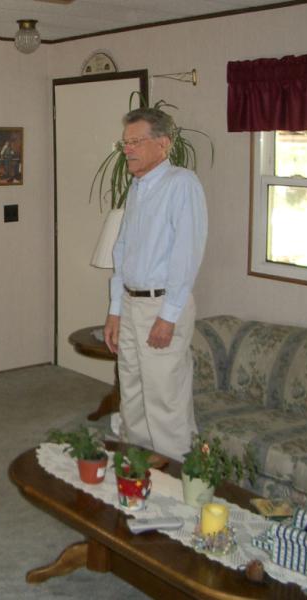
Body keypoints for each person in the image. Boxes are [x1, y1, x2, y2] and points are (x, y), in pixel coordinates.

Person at [103, 107, 207, 462]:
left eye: (136, 142)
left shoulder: (181, 184)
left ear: (162, 143)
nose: (128, 150)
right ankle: (138, 467)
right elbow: (122, 251)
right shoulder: (138, 187)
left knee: (165, 397)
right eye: (125, 142)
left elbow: (186, 254)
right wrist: (115, 310)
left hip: (161, 305)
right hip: (132, 303)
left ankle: (175, 475)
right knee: (131, 392)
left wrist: (168, 316)